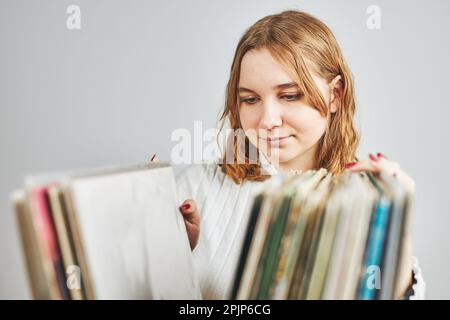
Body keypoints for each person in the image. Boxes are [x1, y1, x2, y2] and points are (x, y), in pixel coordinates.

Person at [155, 10, 425, 300]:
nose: (267, 120)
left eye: (290, 95)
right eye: (250, 99)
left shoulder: (361, 202)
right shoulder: (191, 192)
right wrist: (166, 258)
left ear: (335, 95)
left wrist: (398, 224)